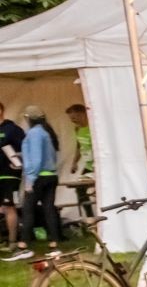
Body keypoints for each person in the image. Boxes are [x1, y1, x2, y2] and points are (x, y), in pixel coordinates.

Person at [7, 105, 64, 262]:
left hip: (39, 177)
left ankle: (23, 246)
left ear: (27, 118)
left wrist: (30, 179)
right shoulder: (46, 132)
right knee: (49, 210)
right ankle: (55, 245)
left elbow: (37, 159)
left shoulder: (34, 133)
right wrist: (22, 159)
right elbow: (47, 157)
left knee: (28, 210)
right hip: (51, 176)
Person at [64, 104, 96, 223]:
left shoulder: (93, 128)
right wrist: (74, 162)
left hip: (97, 166)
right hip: (88, 166)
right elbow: (79, 146)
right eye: (71, 118)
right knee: (80, 189)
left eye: (74, 117)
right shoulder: (77, 129)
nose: (73, 121)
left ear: (83, 114)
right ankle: (90, 217)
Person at [0, 102, 23, 254]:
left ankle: (13, 241)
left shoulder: (12, 129)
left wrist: (18, 162)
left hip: (9, 174)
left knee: (9, 207)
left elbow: (25, 149)